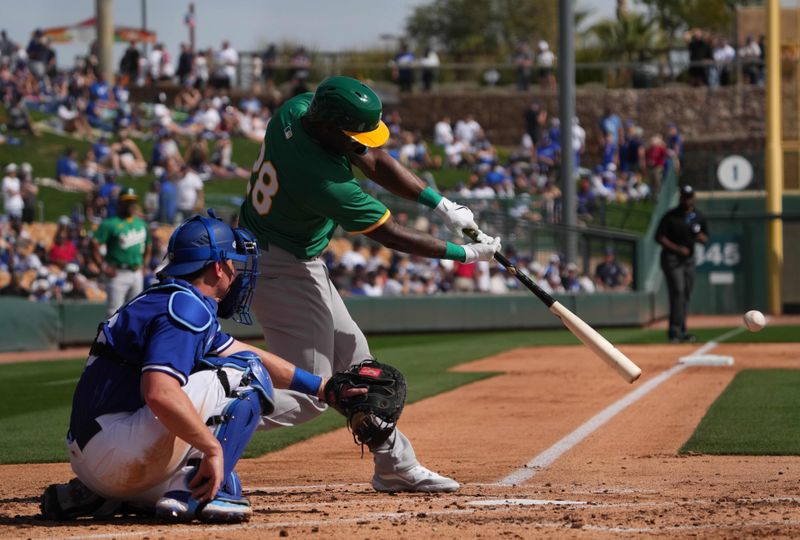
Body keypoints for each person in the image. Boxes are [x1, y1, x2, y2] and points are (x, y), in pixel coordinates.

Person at [239, 76, 500, 493]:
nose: (362, 141)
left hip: (285, 257)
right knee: (309, 394)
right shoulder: (324, 181)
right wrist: (465, 254)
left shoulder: (300, 109)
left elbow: (373, 158)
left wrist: (443, 205)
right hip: (279, 266)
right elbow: (392, 234)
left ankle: (395, 465)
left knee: (361, 369)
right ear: (331, 127)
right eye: (354, 133)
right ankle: (192, 419)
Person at [41, 211, 360, 523]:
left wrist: (321, 388)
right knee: (247, 373)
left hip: (93, 454)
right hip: (117, 449)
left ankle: (107, 495)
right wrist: (212, 450)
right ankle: (209, 492)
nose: (237, 271)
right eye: (233, 262)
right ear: (218, 267)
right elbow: (159, 393)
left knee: (232, 366)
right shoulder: (186, 308)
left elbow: (237, 348)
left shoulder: (169, 299)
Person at [655, 185, 708, 343]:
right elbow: (659, 237)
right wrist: (677, 248)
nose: (687, 199)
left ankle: (681, 330)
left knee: (685, 293)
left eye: (690, 197)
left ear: (693, 198)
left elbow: (706, 237)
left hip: (689, 260)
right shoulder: (671, 216)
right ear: (680, 198)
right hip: (672, 259)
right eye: (685, 197)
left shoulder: (698, 216)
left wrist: (700, 237)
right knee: (678, 291)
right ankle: (675, 331)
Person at [92, 188, 151, 317]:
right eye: (127, 201)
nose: (131, 204)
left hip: (136, 272)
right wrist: (103, 267)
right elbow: (94, 245)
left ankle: (131, 338)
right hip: (117, 273)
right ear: (119, 203)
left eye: (133, 201)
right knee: (114, 312)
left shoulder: (140, 223)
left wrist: (144, 266)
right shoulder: (110, 223)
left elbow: (148, 246)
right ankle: (110, 337)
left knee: (136, 310)